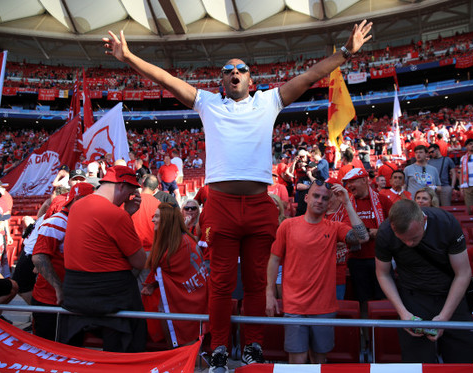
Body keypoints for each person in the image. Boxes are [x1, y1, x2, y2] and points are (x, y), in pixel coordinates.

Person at [104, 19, 373, 371]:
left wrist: (344, 52)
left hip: (260, 207)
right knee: (221, 282)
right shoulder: (207, 104)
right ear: (221, 81)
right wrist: (129, 58)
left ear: (250, 79)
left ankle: (253, 347)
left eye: (241, 69)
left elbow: (308, 77)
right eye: (227, 70)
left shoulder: (269, 101)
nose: (234, 73)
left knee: (258, 282)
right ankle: (218, 347)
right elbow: (165, 80)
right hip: (222, 208)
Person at [266, 180, 369, 364]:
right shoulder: (288, 226)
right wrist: (269, 293)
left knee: (319, 361)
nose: (320, 200)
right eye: (315, 195)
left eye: (324, 198)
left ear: (329, 203)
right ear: (306, 198)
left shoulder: (334, 227)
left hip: (324, 307)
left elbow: (363, 237)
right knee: (297, 361)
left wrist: (347, 202)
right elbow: (274, 259)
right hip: (294, 306)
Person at [375, 199, 473, 363]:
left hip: (450, 294)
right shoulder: (385, 232)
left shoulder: (446, 223)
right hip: (413, 296)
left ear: (423, 220)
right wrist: (403, 313)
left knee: (464, 358)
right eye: (403, 239)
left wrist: (444, 317)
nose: (409, 243)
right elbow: (383, 274)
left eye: (414, 237)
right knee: (417, 361)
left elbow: (463, 273)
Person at [59, 166, 147, 352]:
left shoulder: (77, 206)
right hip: (111, 294)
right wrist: (126, 215)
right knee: (132, 332)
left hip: (75, 290)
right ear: (122, 186)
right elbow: (140, 262)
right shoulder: (116, 215)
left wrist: (126, 213)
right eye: (130, 193)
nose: (128, 198)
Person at [31, 182, 94, 341]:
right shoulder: (57, 221)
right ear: (76, 199)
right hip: (50, 300)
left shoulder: (81, 221)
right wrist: (58, 287)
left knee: (72, 349)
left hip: (72, 299)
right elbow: (39, 257)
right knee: (48, 351)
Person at [141, 203, 209, 347]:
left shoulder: (179, 245)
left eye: (157, 216)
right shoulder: (182, 240)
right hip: (189, 302)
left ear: (167, 220)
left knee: (185, 346)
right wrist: (154, 284)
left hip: (186, 305)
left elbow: (167, 268)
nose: (153, 220)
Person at [342, 168, 392, 307]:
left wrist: (379, 232)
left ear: (364, 180)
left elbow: (396, 225)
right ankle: (366, 328)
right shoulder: (346, 204)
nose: (349, 186)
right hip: (356, 259)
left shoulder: (382, 200)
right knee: (362, 300)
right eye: (348, 183)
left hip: (380, 258)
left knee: (384, 299)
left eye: (353, 181)